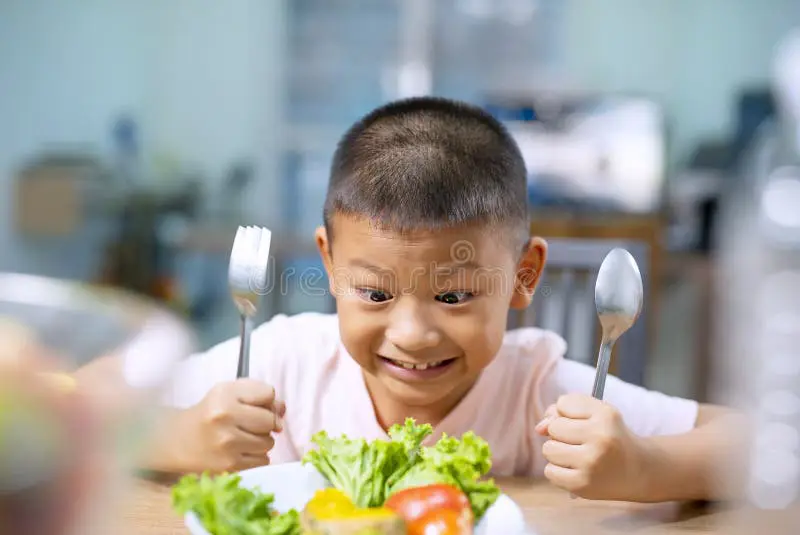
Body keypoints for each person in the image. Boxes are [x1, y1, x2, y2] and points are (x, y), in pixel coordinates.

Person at [146, 97, 738, 503]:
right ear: (329, 264)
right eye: (375, 293)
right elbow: (80, 410)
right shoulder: (285, 364)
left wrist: (643, 467)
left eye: (453, 295)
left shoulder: (537, 391)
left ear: (523, 275)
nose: (412, 334)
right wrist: (176, 437)